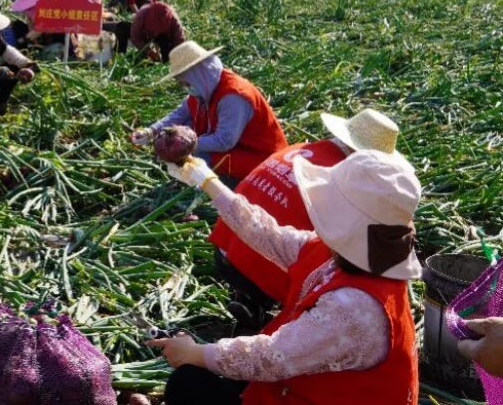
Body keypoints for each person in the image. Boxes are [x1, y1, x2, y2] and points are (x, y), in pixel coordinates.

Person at [147, 149, 421, 405]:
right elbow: (268, 234)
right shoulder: (341, 253)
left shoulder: (355, 308)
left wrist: (195, 353)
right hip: (306, 386)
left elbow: (272, 357)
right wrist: (207, 180)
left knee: (188, 386)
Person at [209, 108, 406, 330]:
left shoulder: (300, 149)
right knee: (326, 263)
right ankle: (260, 299)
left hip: (224, 249)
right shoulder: (346, 182)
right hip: (262, 262)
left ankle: (249, 296)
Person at [132, 41, 287, 181]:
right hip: (237, 147)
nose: (184, 87)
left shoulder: (233, 96)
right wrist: (150, 131)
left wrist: (183, 146)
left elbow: (224, 141)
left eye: (184, 82)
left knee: (198, 156)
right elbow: (181, 114)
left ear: (196, 74)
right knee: (183, 126)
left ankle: (223, 186)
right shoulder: (204, 87)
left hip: (262, 158)